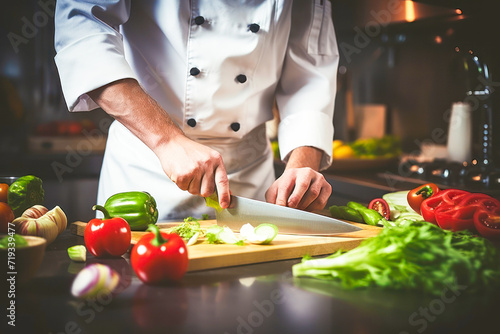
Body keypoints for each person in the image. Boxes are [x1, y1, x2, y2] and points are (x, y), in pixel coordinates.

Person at [54, 0, 339, 220]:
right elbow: (83, 30)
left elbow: (311, 69)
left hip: (250, 182)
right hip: (147, 168)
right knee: (136, 291)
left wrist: (302, 166)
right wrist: (167, 140)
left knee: (254, 285)